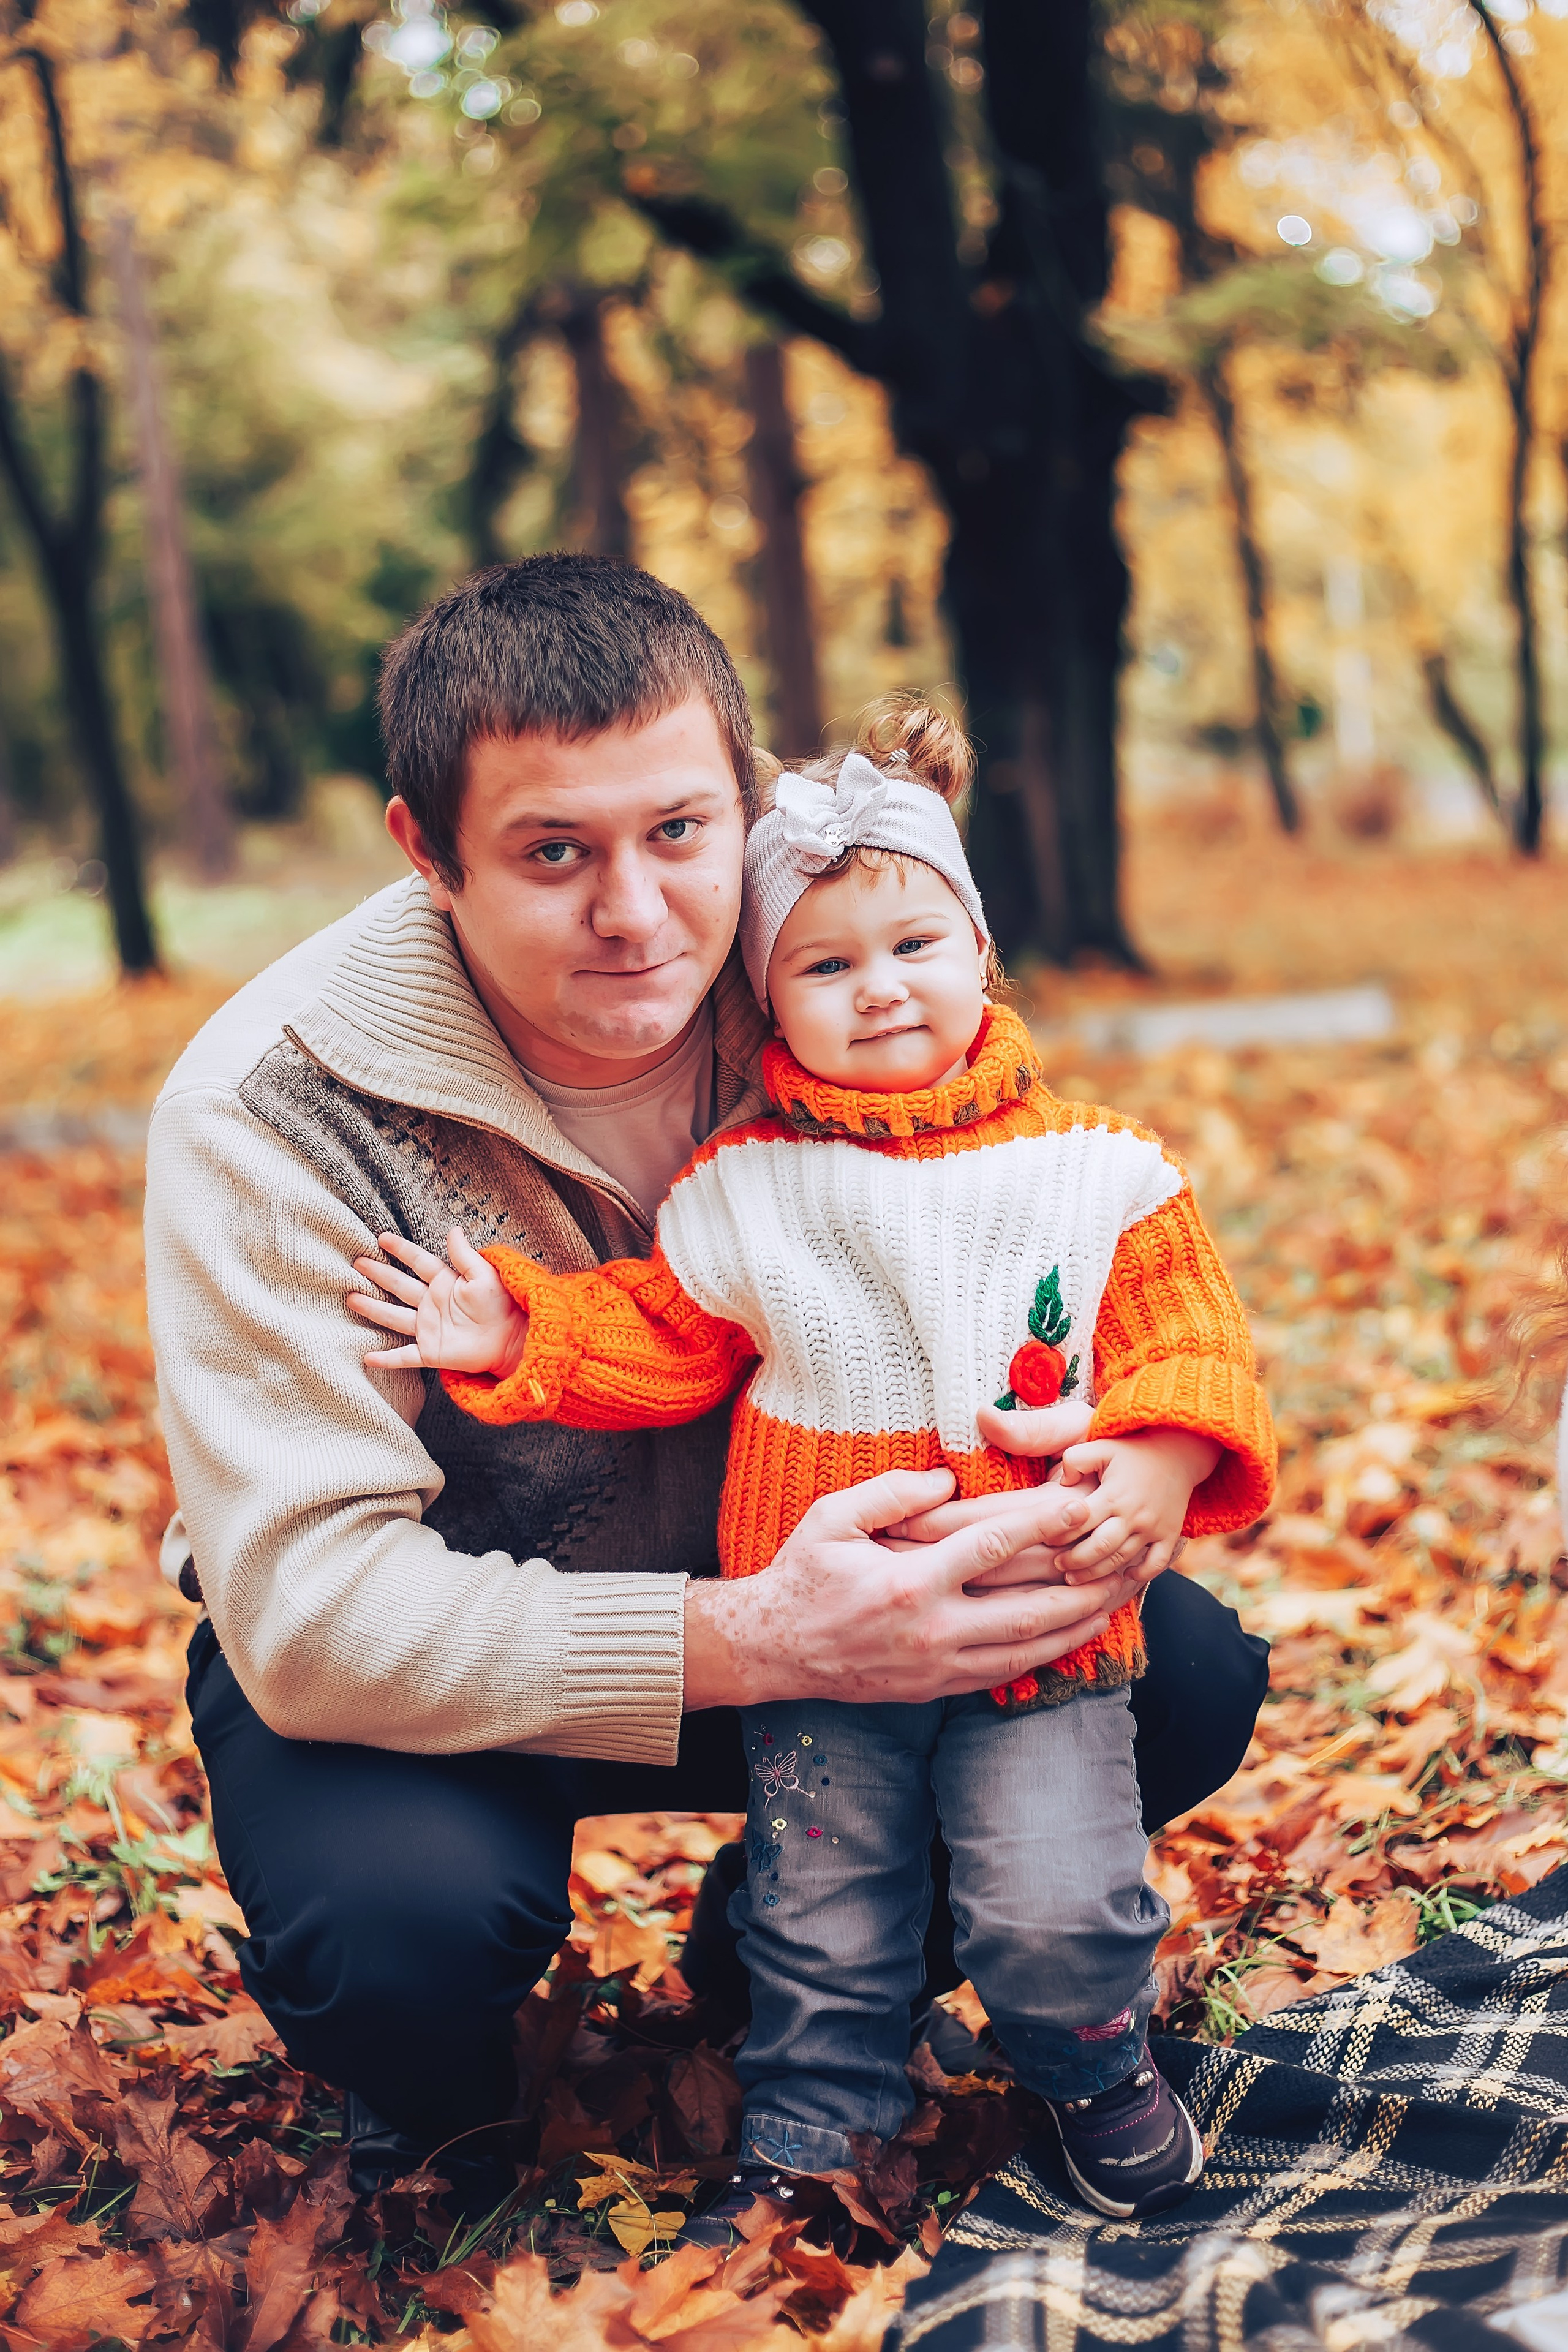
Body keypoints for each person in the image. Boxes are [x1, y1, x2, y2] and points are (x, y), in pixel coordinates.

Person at [145, 555, 1270, 2212]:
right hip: (450, 1669)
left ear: (741, 804)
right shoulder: (272, 1108)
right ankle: (441, 2097)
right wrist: (757, 1638)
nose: (636, 912)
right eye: (552, 853)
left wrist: (1135, 1447)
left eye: (679, 833)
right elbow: (310, 1615)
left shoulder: (836, 979)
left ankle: (784, 1961)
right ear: (427, 850)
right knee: (399, 1929)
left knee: (1171, 1676)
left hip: (832, 1616)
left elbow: (1070, 1239)